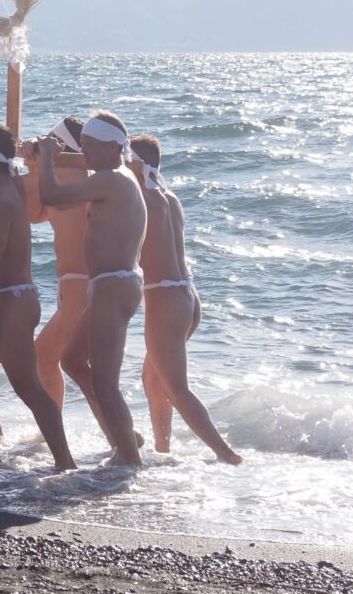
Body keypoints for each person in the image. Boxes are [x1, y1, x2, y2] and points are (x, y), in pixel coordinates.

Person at [0, 125, 76, 469]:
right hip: (7, 300)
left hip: (12, 302)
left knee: (29, 388)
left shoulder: (0, 200)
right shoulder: (10, 187)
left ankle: (65, 463)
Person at [38, 111, 146, 466]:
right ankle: (125, 438)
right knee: (70, 360)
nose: (85, 154)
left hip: (115, 284)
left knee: (105, 383)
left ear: (115, 147)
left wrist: (47, 159)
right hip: (110, 284)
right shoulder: (115, 178)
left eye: (90, 147)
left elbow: (52, 195)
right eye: (81, 146)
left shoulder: (113, 179)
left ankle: (129, 461)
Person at [131, 135, 243, 464]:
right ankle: (162, 450)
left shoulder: (139, 198)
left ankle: (226, 454)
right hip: (187, 296)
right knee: (153, 377)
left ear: (136, 162)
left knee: (176, 387)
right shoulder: (169, 197)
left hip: (165, 300)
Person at [20, 116, 91, 408]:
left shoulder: (62, 172)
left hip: (78, 285)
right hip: (77, 285)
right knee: (45, 355)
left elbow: (27, 211)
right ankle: (54, 424)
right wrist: (38, 165)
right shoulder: (83, 174)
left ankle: (119, 435)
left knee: (83, 367)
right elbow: (38, 214)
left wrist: (32, 164)